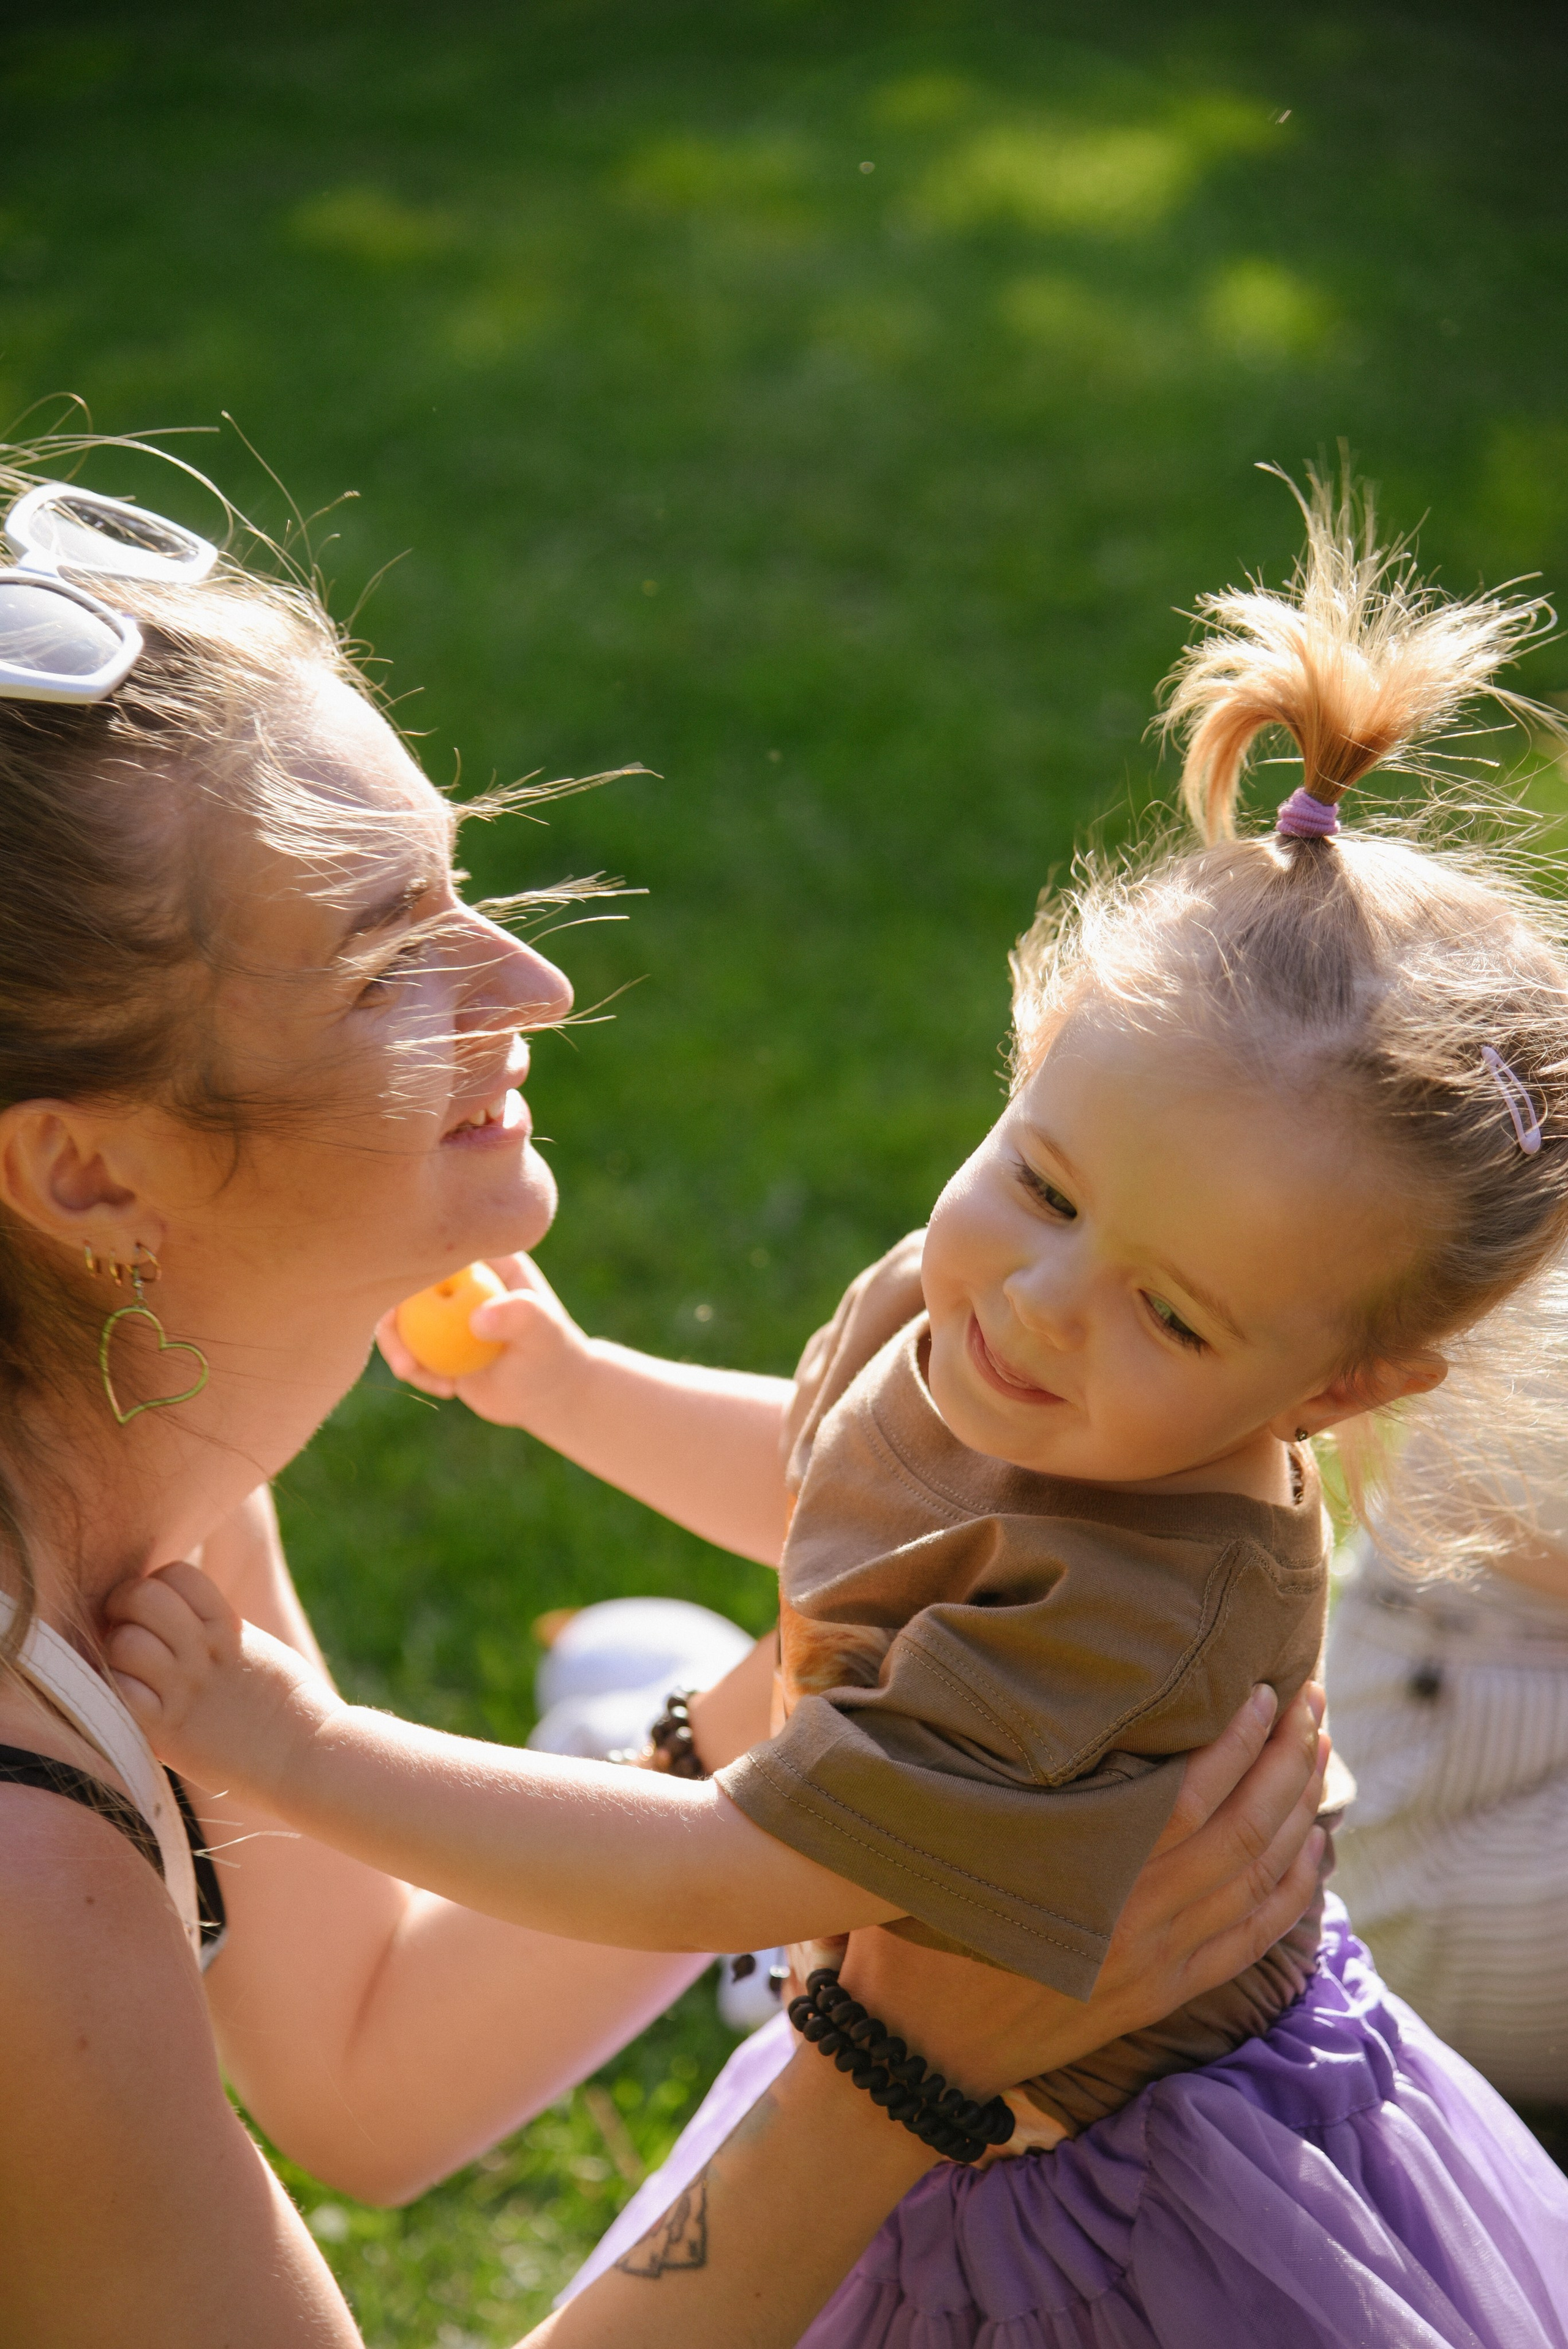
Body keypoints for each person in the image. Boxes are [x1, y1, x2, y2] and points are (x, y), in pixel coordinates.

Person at [110, 473, 1568, 2345]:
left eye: (1173, 1311)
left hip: (1133, 2205)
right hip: (933, 2084)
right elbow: (838, 1476)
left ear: (1347, 1386)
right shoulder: (1003, 1311)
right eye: (1040, 1184)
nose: (1040, 1307)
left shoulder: (1138, 1605)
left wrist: (298, 1745)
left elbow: (720, 1867)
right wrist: (569, 1386)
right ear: (1029, 1062)